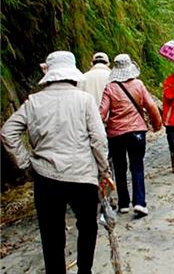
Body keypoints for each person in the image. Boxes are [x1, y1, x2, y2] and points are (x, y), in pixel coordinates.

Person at [1, 51, 112, 274]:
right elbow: (98, 139)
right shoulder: (85, 100)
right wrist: (104, 171)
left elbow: (7, 133)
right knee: (88, 227)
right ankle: (84, 271)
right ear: (72, 73)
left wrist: (27, 165)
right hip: (82, 175)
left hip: (46, 178)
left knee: (51, 235)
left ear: (50, 74)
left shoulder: (34, 102)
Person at [100, 54, 162, 217]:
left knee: (120, 168)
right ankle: (140, 203)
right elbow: (151, 106)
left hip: (116, 135)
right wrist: (157, 125)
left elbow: (101, 113)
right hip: (137, 133)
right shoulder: (138, 85)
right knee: (137, 166)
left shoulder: (110, 88)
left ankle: (123, 204)